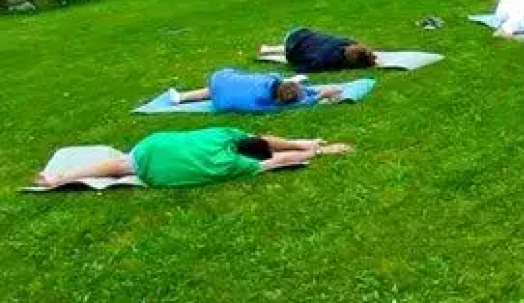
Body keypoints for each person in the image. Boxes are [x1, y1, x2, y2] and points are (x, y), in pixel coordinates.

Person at [30, 127, 351, 189]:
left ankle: (60, 177)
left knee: (121, 164)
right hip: (158, 173)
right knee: (124, 166)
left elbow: (264, 140)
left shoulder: (223, 134)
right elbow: (277, 160)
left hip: (151, 148)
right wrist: (318, 150)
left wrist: (300, 142)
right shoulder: (238, 165)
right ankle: (60, 178)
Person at [167, 67, 346, 112]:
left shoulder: (270, 79)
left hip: (220, 81)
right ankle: (181, 97)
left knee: (215, 89)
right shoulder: (270, 106)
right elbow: (302, 103)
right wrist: (320, 94)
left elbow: (292, 91)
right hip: (221, 102)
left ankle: (181, 97)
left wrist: (315, 92)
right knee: (218, 92)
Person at [262, 28, 378, 72]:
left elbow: (364, 52)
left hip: (303, 31)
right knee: (295, 52)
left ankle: (269, 48)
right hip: (292, 41)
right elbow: (299, 68)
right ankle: (271, 49)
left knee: (311, 45)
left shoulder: (350, 42)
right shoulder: (324, 59)